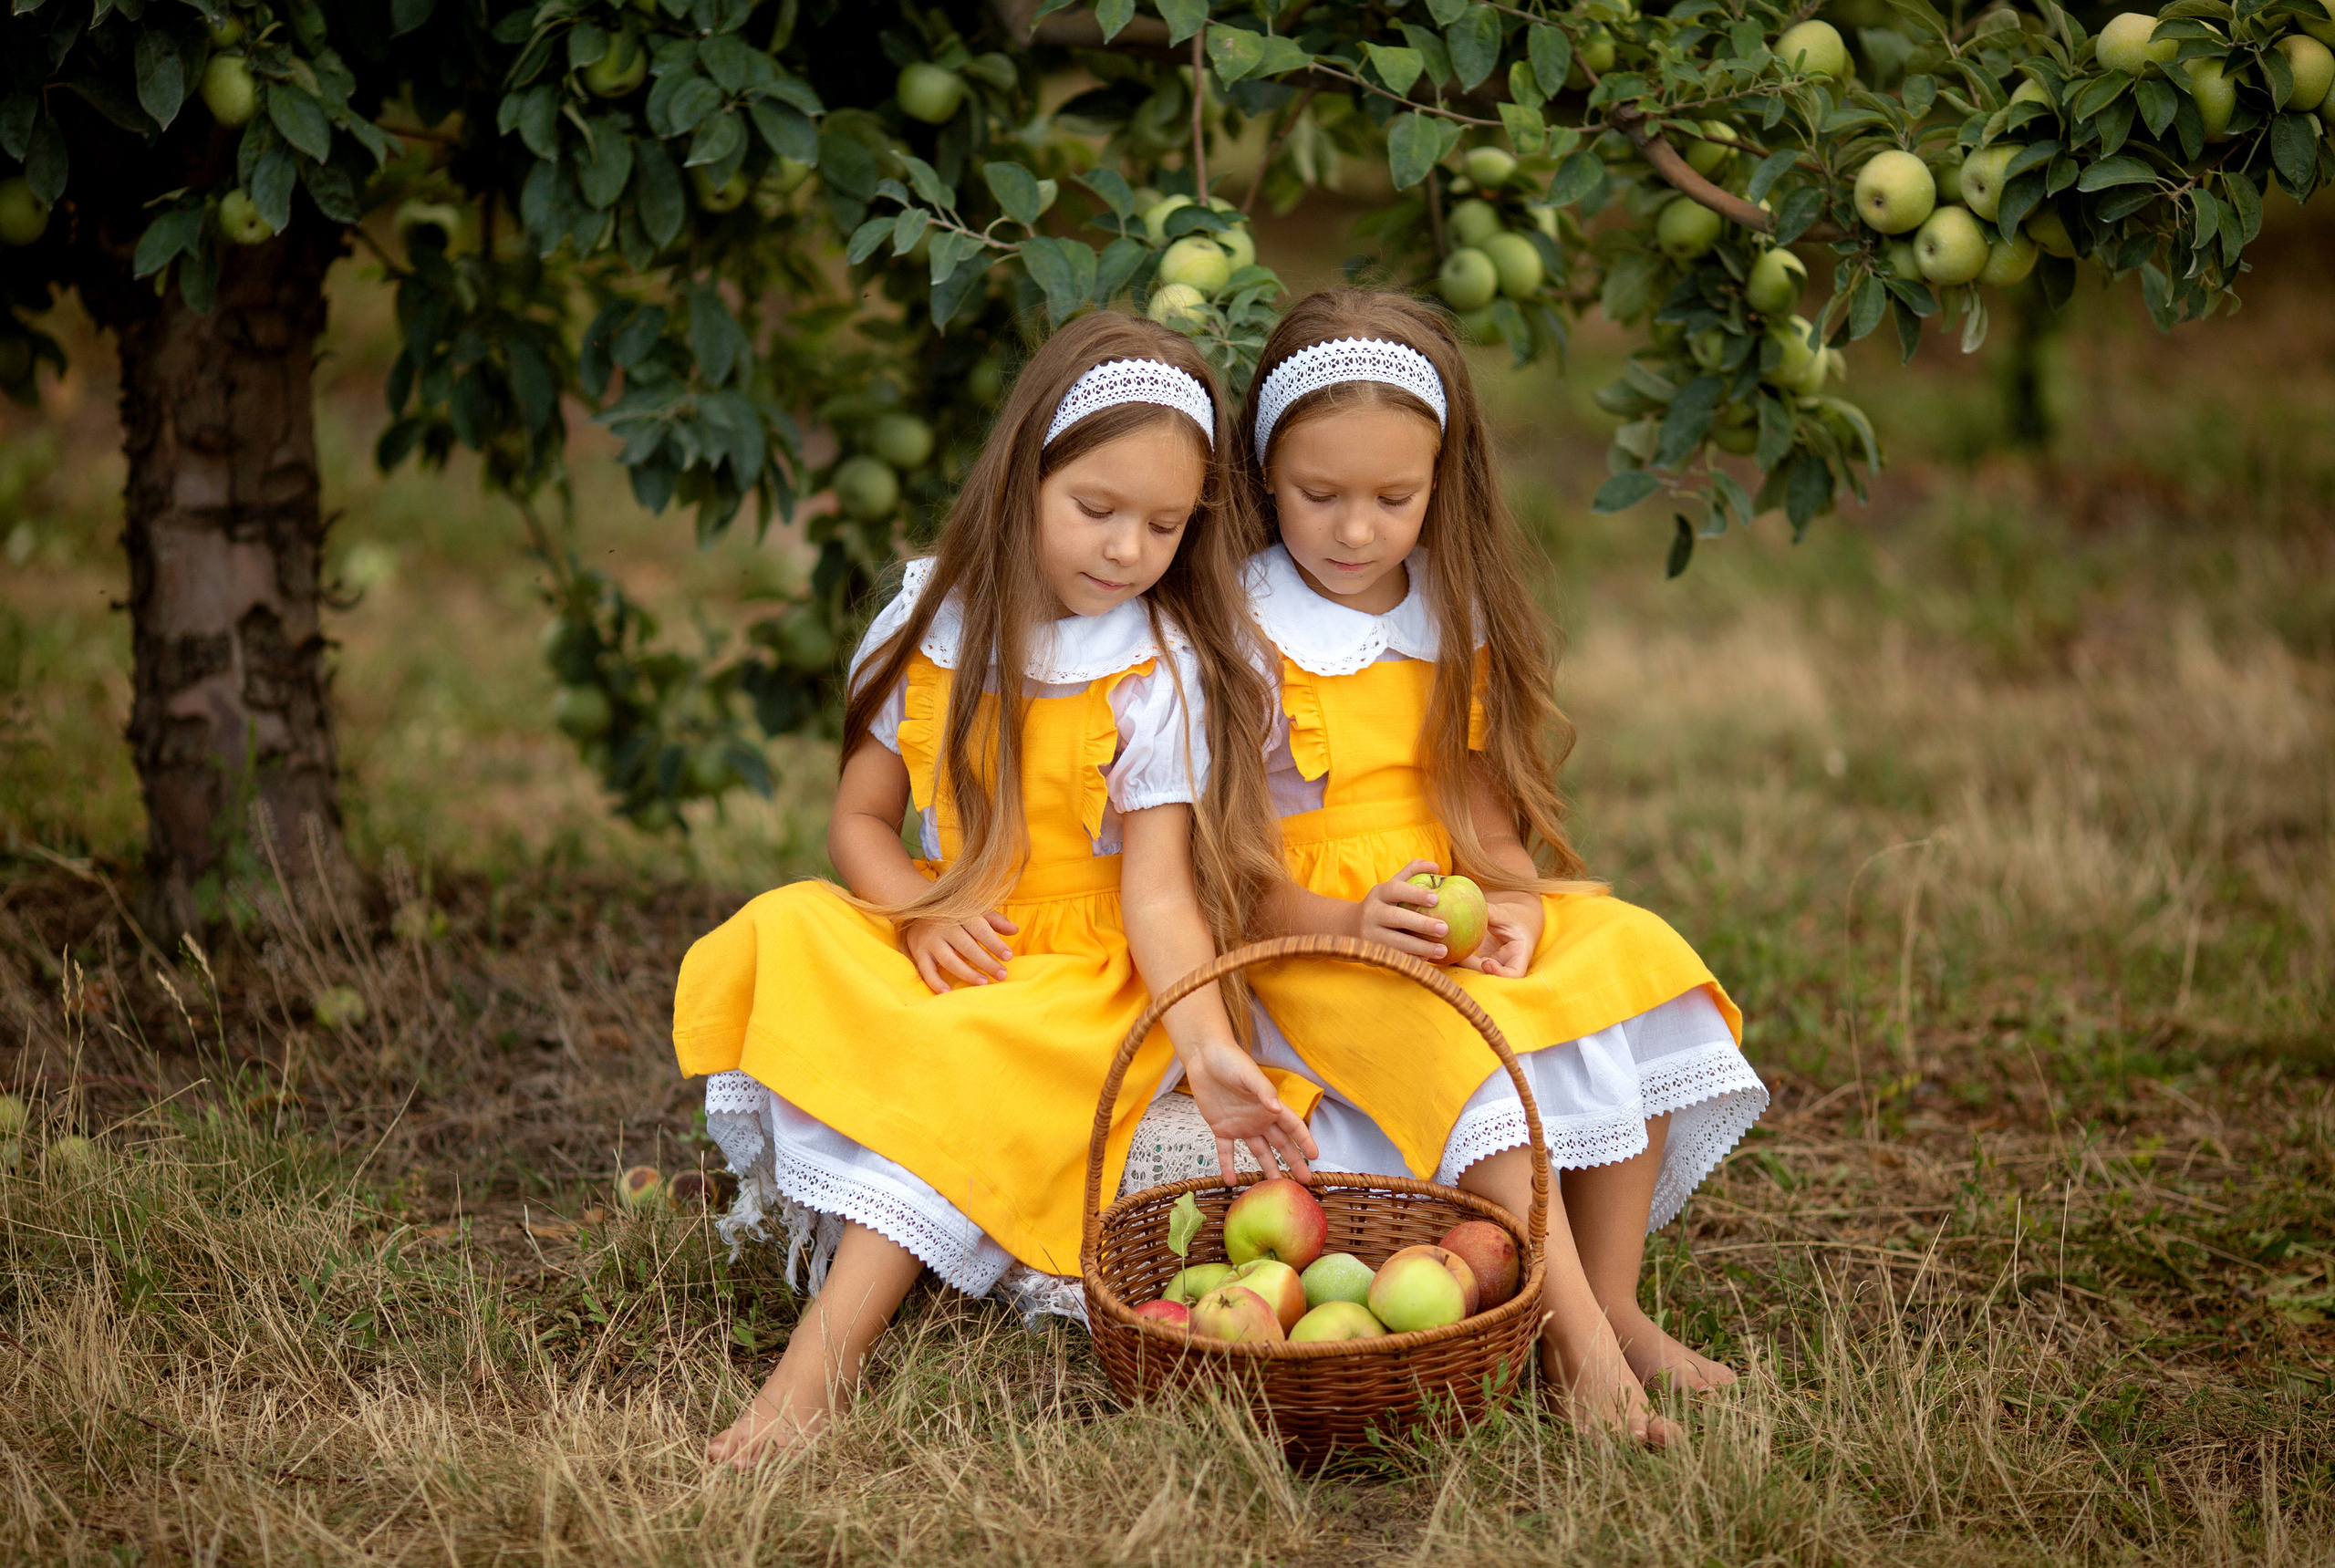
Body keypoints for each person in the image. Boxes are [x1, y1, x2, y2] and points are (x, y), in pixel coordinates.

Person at [673, 314, 1316, 1466]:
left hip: (1081, 971)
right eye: (1096, 509)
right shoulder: (933, 618)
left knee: (971, 1054)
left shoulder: (1155, 671)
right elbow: (860, 823)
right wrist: (926, 907)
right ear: (1026, 475)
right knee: (786, 924)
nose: (1127, 550)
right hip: (945, 920)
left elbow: (1160, 899)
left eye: (1165, 525)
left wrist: (1211, 1047)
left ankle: (809, 1381)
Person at [1232, 289, 1769, 1444]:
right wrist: (1345, 917)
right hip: (1306, 936)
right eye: (1318, 495)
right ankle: (1574, 1351)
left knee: (1630, 954)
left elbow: (1478, 813)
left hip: (1439, 902)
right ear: (1265, 472)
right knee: (1466, 1037)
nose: (1356, 530)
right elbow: (1218, 862)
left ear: (1442, 479)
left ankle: (1616, 1305)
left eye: (1394, 498)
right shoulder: (1238, 626)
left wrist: (1514, 897)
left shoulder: (1449, 608)